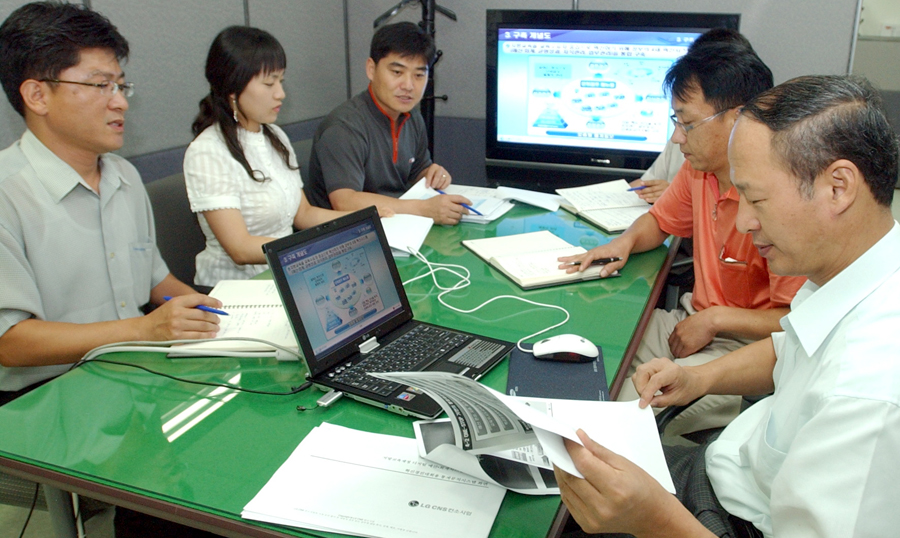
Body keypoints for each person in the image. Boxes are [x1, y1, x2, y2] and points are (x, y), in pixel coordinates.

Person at [555, 74, 900, 538]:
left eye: (756, 198)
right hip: (729, 471)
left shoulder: (869, 391)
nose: (743, 220)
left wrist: (653, 519)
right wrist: (699, 377)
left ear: (838, 187)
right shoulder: (857, 267)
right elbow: (793, 348)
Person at [560, 42, 806, 438]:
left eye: (687, 124)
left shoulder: (779, 200)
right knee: (587, 349)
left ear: (739, 119)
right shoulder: (699, 171)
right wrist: (623, 243)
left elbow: (799, 322)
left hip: (747, 351)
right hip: (689, 321)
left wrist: (715, 319)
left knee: (621, 420)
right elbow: (660, 221)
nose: (677, 139)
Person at [184, 26, 354, 287]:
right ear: (232, 88)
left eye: (281, 81)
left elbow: (304, 214)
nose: (280, 93)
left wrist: (365, 223)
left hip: (287, 274)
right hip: (237, 291)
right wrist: (313, 250)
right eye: (269, 83)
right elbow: (240, 249)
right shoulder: (207, 151)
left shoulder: (274, 136)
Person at [303, 21, 471, 225]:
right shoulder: (344, 126)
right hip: (347, 237)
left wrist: (432, 174)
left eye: (419, 75)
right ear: (371, 69)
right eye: (397, 72)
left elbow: (418, 170)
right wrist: (423, 209)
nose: (408, 86)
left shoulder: (411, 116)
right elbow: (345, 201)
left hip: (395, 226)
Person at [629, 28, 756, 205]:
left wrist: (676, 197)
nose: (677, 138)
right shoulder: (690, 148)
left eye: (688, 123)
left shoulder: (760, 183)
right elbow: (644, 186)